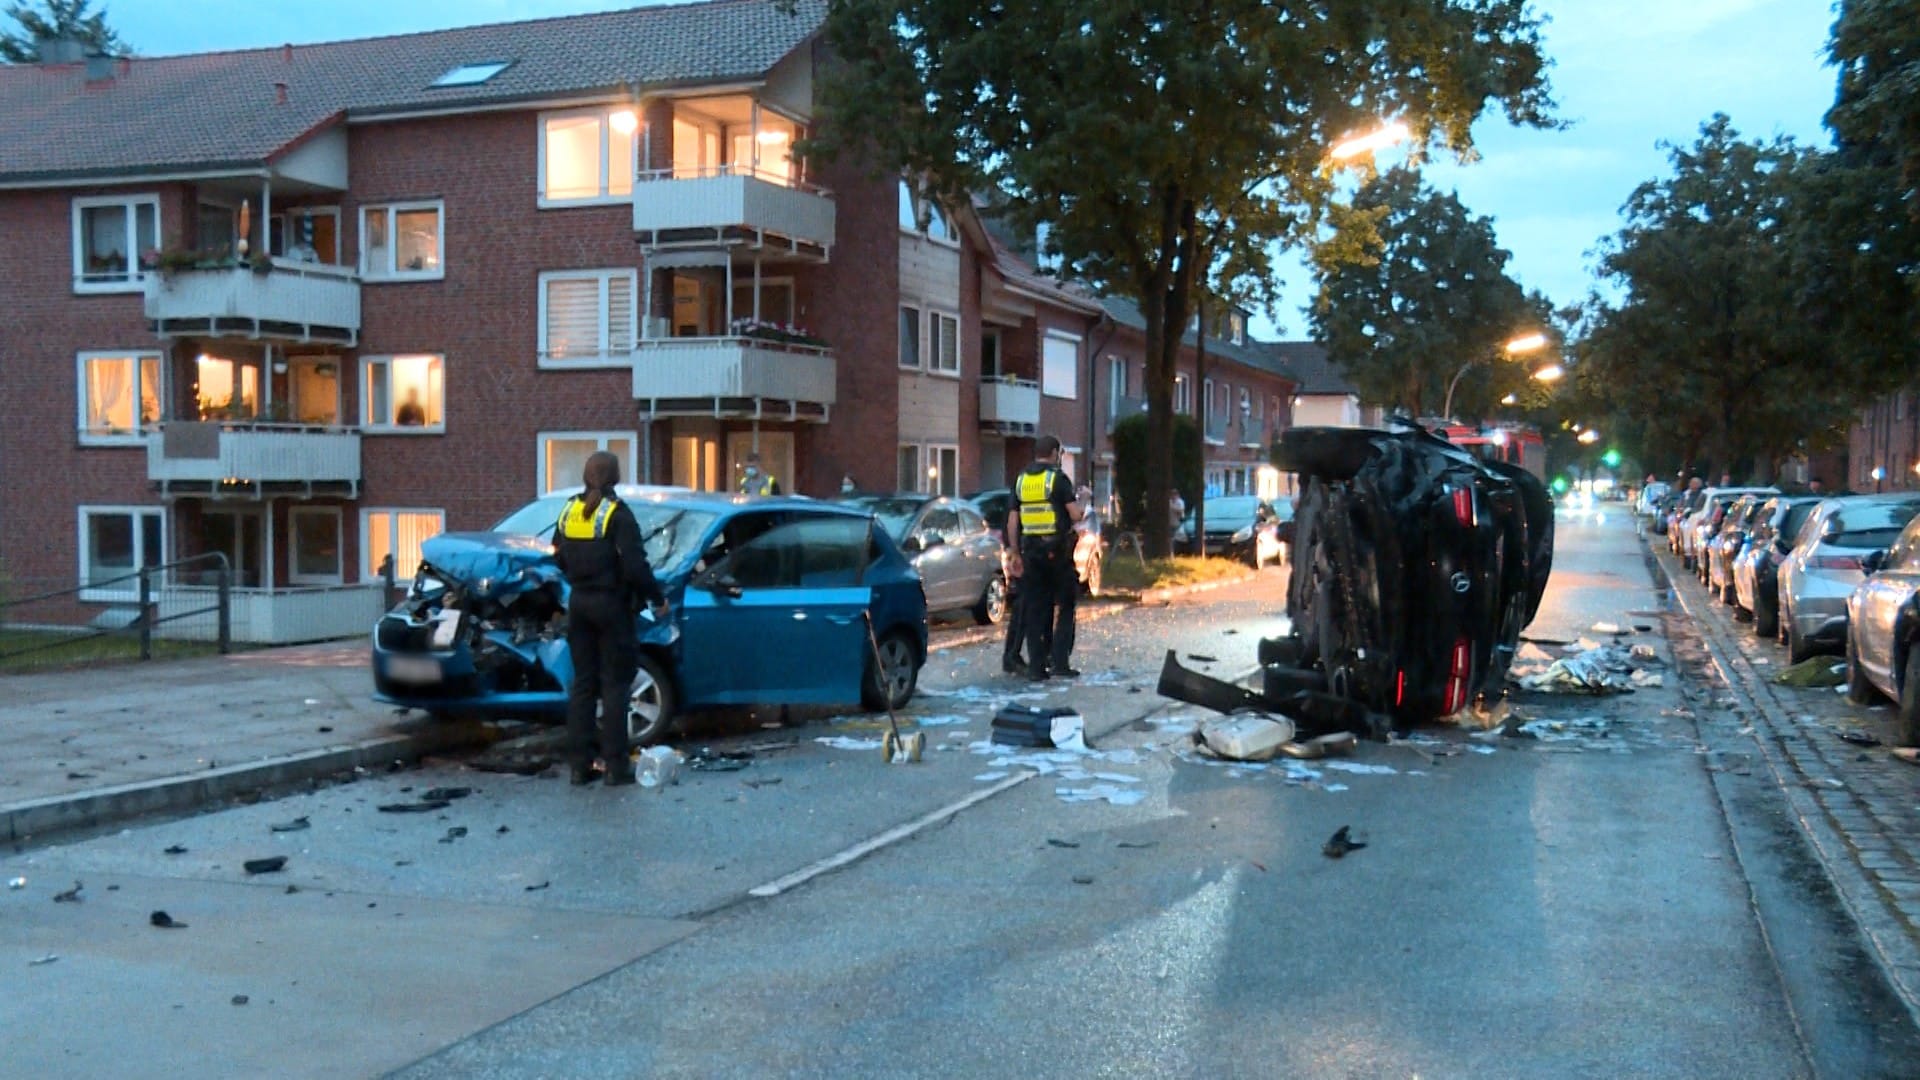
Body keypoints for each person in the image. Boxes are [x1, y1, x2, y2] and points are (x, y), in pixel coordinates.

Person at [553, 452, 666, 786]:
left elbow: (556, 553)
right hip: (612, 605)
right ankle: (616, 767)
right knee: (616, 686)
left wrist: (577, 576)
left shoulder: (570, 510)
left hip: (579, 604)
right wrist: (656, 600)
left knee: (584, 685)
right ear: (615, 477)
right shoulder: (618, 514)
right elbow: (635, 565)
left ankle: (579, 766)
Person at [1007, 434, 1083, 681]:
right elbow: (1074, 515)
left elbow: (1012, 520)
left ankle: (1036, 667)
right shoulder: (1057, 479)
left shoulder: (1021, 480)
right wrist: (1083, 504)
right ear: (1053, 453)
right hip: (1057, 552)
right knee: (1066, 605)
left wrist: (1015, 551)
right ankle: (1060, 662)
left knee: (1036, 609)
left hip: (1031, 552)